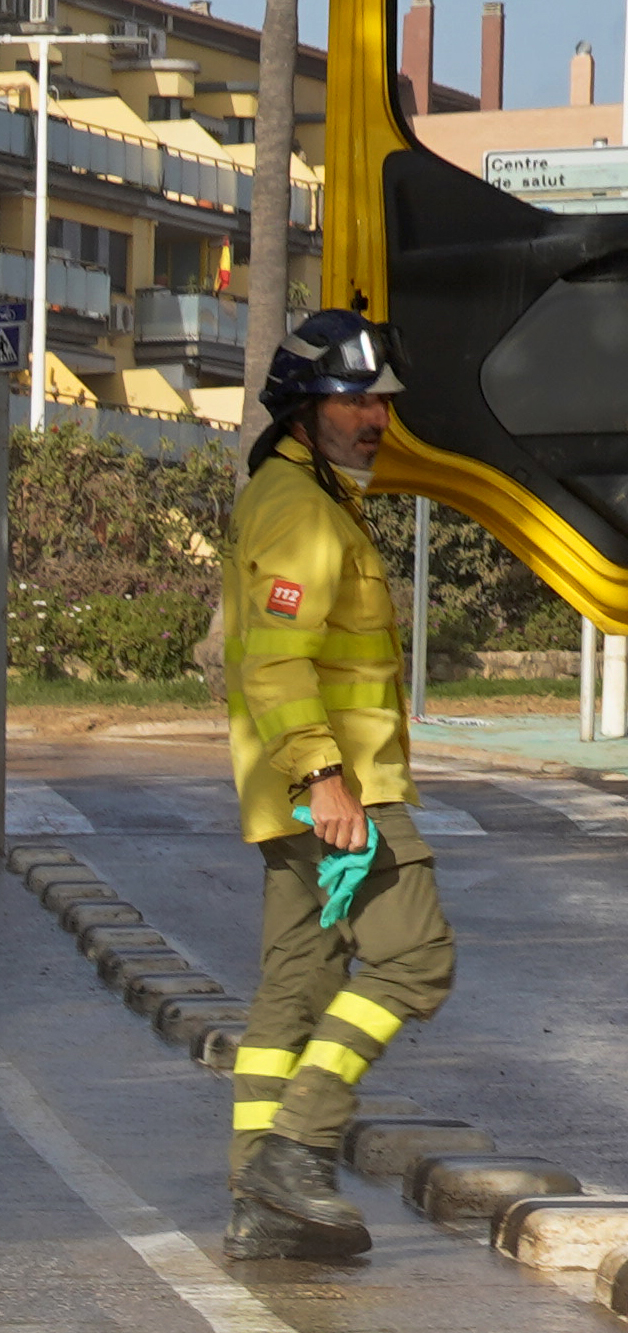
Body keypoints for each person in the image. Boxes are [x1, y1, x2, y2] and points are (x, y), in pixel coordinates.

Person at [221, 306, 443, 1266]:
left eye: (378, 401)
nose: (372, 419)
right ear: (302, 410)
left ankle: (261, 1204)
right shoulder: (300, 509)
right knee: (414, 957)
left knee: (291, 1001)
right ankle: (297, 1148)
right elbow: (274, 664)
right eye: (351, 399)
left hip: (304, 794)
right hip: (338, 794)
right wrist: (323, 777)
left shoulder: (308, 496)